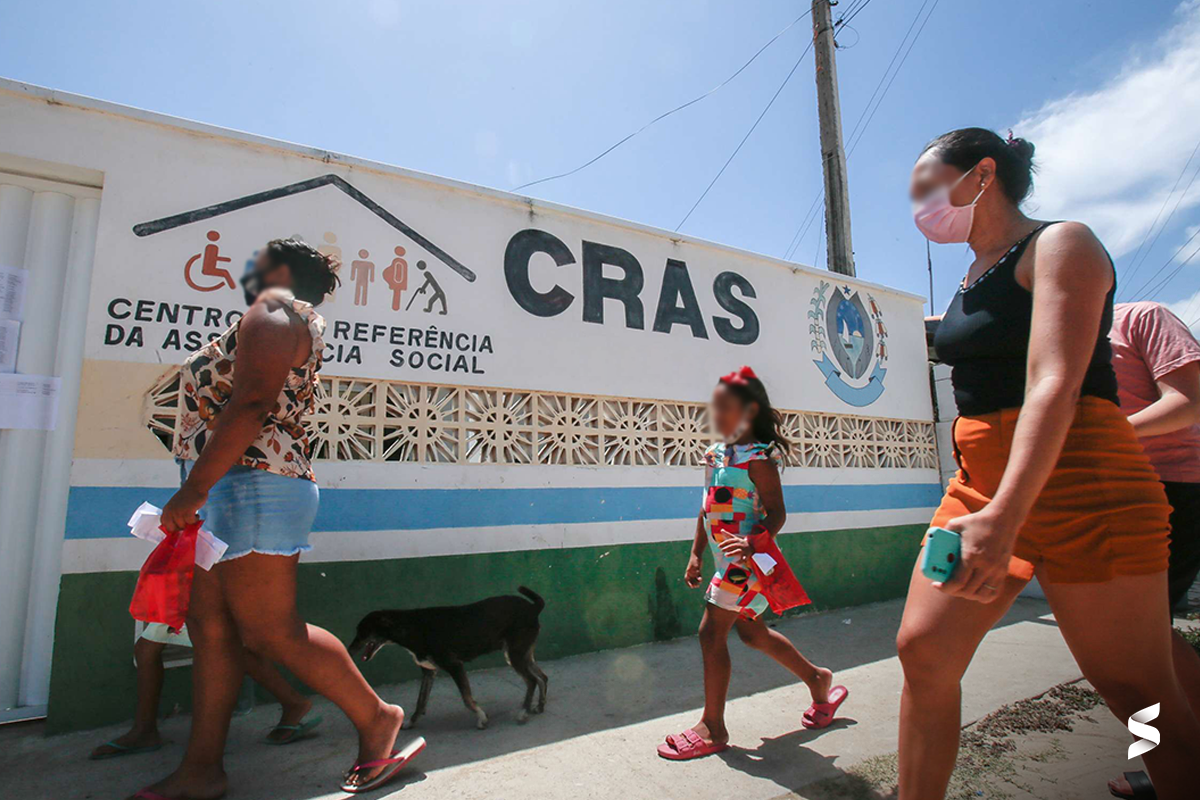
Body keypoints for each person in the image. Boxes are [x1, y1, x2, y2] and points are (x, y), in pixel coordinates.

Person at [899, 127, 1200, 800]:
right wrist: (992, 503)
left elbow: (1053, 382)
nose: (918, 204)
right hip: (977, 483)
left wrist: (1007, 515)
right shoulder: (971, 276)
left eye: (926, 184)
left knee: (1140, 696)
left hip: (1084, 481)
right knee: (923, 652)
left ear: (981, 175)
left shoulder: (1061, 243)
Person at [130, 238, 421, 800]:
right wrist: (199, 487)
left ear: (280, 272)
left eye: (258, 262)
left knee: (269, 631)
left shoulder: (273, 312)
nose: (249, 270)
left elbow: (252, 404)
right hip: (230, 484)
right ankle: (202, 769)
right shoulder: (281, 317)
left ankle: (378, 718)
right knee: (210, 628)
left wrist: (193, 489)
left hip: (252, 486)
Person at [657, 366, 844, 761]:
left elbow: (777, 513)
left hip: (748, 563)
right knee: (752, 634)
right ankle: (817, 678)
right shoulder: (714, 454)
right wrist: (695, 553)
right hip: (725, 560)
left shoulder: (759, 458)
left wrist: (754, 541)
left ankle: (713, 727)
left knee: (711, 634)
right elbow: (707, 507)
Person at [1106, 300, 1200, 799]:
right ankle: (1161, 762)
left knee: (1139, 647)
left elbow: (1188, 401)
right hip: (1112, 495)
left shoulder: (1141, 318)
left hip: (1171, 488)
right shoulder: (1046, 343)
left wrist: (1104, 437)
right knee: (1140, 644)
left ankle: (1171, 761)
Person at [90, 624, 321, 759]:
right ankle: (144, 729)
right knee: (147, 647)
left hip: (199, 565)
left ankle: (293, 702)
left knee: (226, 645)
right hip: (182, 567)